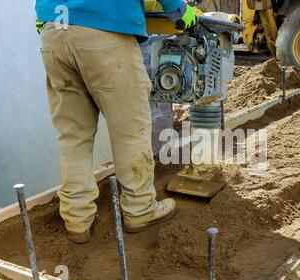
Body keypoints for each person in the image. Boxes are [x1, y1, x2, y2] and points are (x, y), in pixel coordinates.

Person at [35, 0, 196, 244]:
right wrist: (180, 11)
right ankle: (140, 209)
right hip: (106, 32)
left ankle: (77, 219)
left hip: (54, 33)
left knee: (73, 135)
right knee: (130, 130)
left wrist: (43, 16)